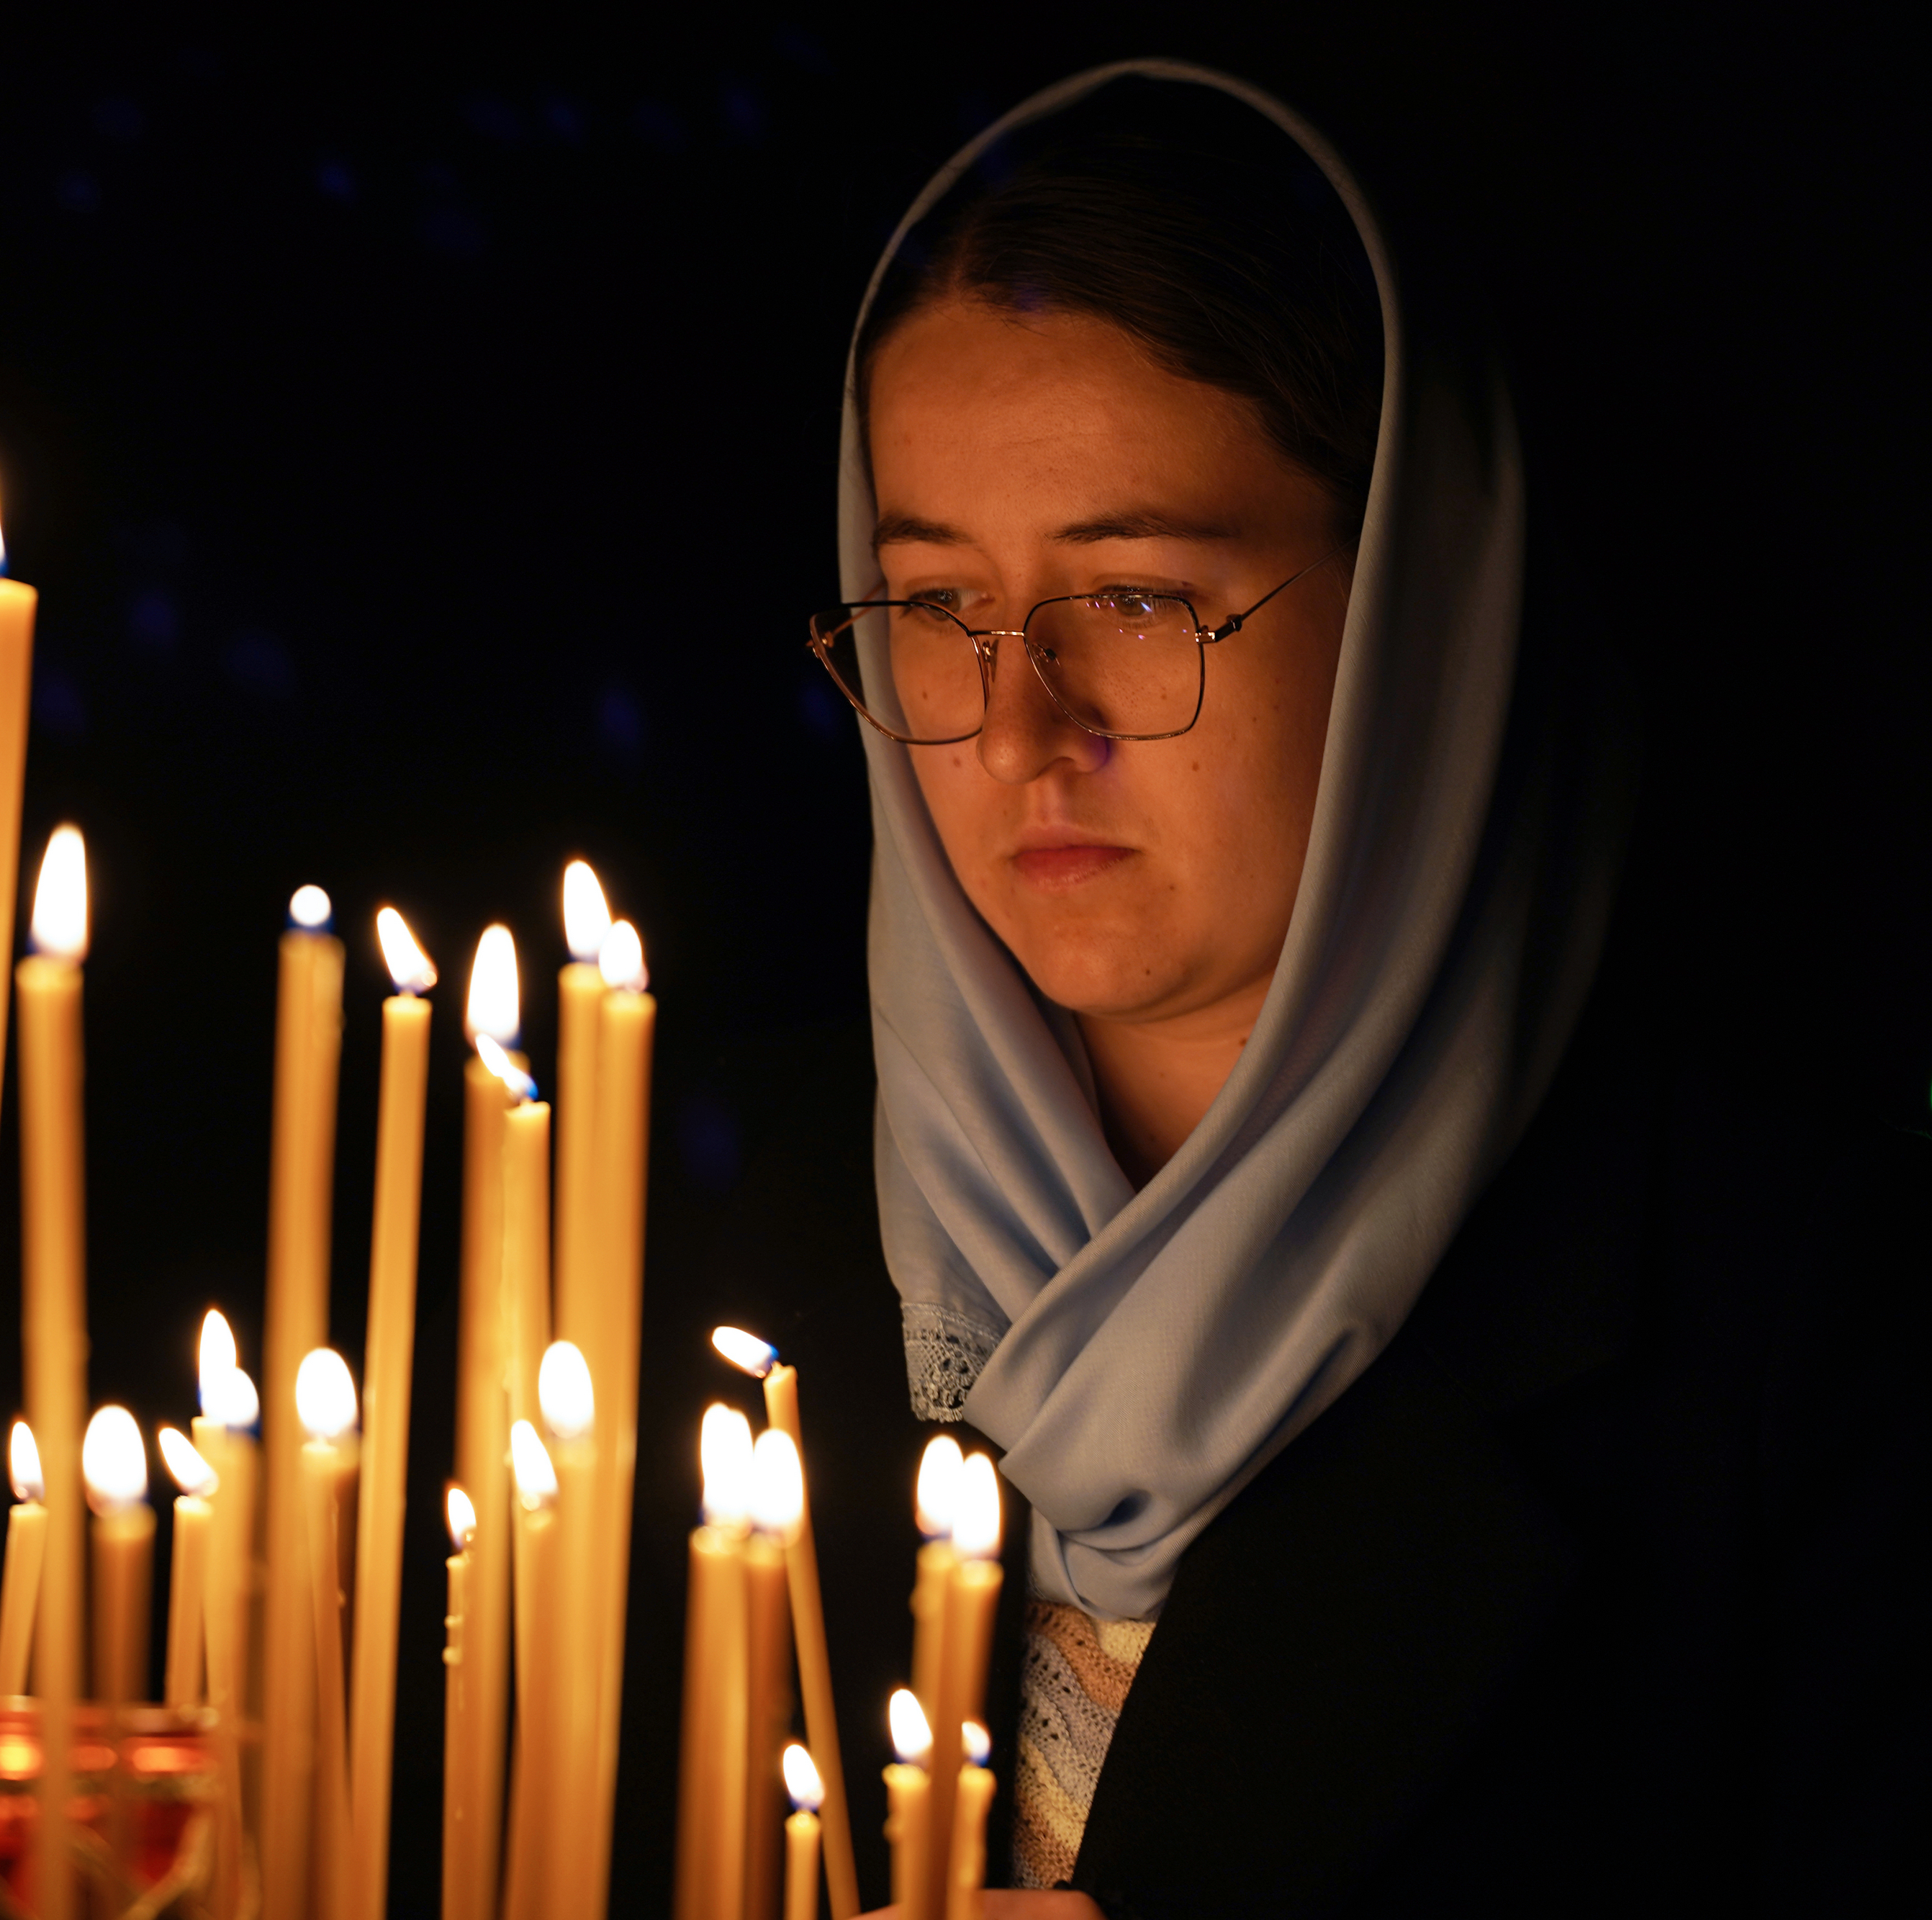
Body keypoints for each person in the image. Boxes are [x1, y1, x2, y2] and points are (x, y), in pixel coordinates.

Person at [816, 63, 1904, 1916]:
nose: (1016, 726)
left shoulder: (1799, 1336)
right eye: (933, 606)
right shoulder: (681, 1253)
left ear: (1417, 608)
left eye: (1140, 596)